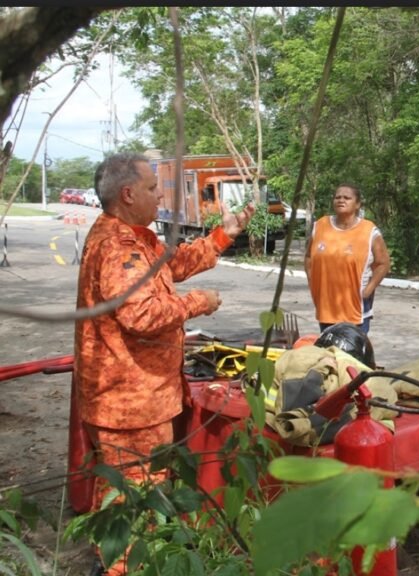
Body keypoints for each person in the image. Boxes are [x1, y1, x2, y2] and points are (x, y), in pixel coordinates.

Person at [73, 152, 255, 574]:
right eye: (153, 188)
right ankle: (125, 569)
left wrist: (223, 236)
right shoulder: (118, 247)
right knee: (134, 494)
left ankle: (119, 563)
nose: (160, 195)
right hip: (129, 403)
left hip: (139, 396)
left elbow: (175, 263)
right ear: (128, 193)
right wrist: (199, 303)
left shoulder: (137, 237)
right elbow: (142, 316)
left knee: (125, 491)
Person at [304, 183, 391, 333]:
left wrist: (368, 290)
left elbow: (383, 263)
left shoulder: (369, 231)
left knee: (352, 355)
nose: (341, 200)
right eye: (337, 197)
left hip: (356, 309)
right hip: (326, 308)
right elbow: (308, 257)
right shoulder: (320, 226)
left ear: (357, 204)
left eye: (347, 198)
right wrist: (313, 283)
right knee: (329, 354)